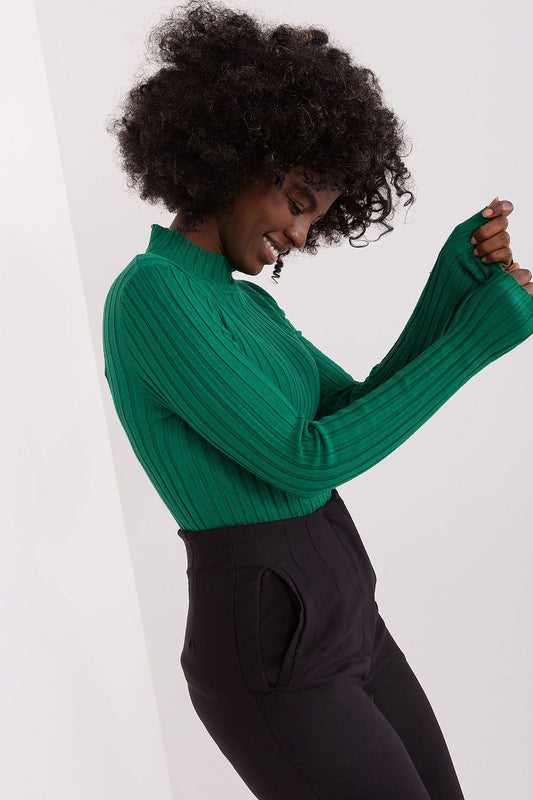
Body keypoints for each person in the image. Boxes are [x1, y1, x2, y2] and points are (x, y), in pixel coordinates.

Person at [102, 2, 533, 798]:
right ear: (236, 157)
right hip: (273, 642)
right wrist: (473, 344)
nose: (301, 237)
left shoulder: (244, 303)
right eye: (297, 203)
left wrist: (451, 290)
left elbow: (351, 408)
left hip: (346, 616)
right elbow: (302, 460)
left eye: (316, 218)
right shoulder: (151, 295)